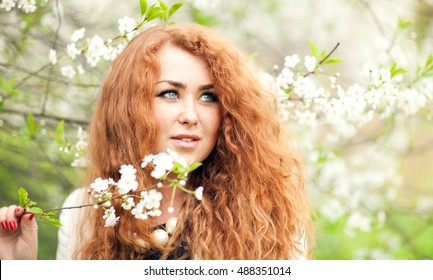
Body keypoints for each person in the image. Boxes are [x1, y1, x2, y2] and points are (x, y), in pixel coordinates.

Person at [0, 23, 314, 260]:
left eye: (208, 96)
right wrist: (17, 270)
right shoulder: (86, 211)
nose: (191, 115)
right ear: (129, 108)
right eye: (169, 93)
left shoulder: (268, 219)